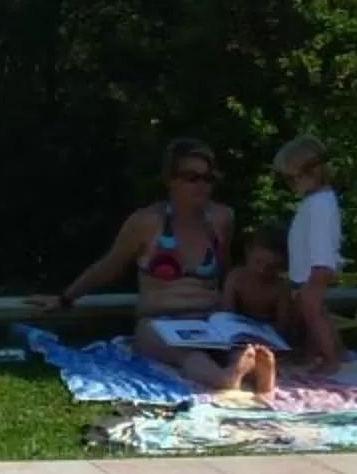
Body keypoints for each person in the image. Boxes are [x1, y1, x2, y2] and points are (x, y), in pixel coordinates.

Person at [30, 137, 265, 392]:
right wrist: (65, 298)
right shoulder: (147, 222)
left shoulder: (221, 218)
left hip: (209, 320)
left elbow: (227, 273)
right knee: (188, 356)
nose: (201, 186)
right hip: (161, 320)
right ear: (170, 180)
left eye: (208, 178)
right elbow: (109, 265)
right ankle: (224, 379)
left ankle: (249, 368)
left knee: (242, 345)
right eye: (191, 177)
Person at [277, 134, 346, 376]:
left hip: (317, 269)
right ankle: (331, 352)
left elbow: (321, 240)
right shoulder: (317, 201)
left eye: (291, 178)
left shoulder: (320, 204)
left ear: (310, 172)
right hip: (312, 270)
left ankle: (330, 359)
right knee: (317, 313)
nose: (290, 184)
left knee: (314, 313)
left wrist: (319, 271)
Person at [219, 233, 293, 397]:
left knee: (264, 354)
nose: (262, 271)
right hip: (238, 334)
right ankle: (240, 372)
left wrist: (267, 335)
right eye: (258, 262)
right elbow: (226, 313)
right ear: (248, 253)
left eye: (271, 267)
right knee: (230, 352)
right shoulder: (236, 277)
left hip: (267, 337)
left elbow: (283, 324)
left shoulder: (280, 287)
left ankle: (263, 377)